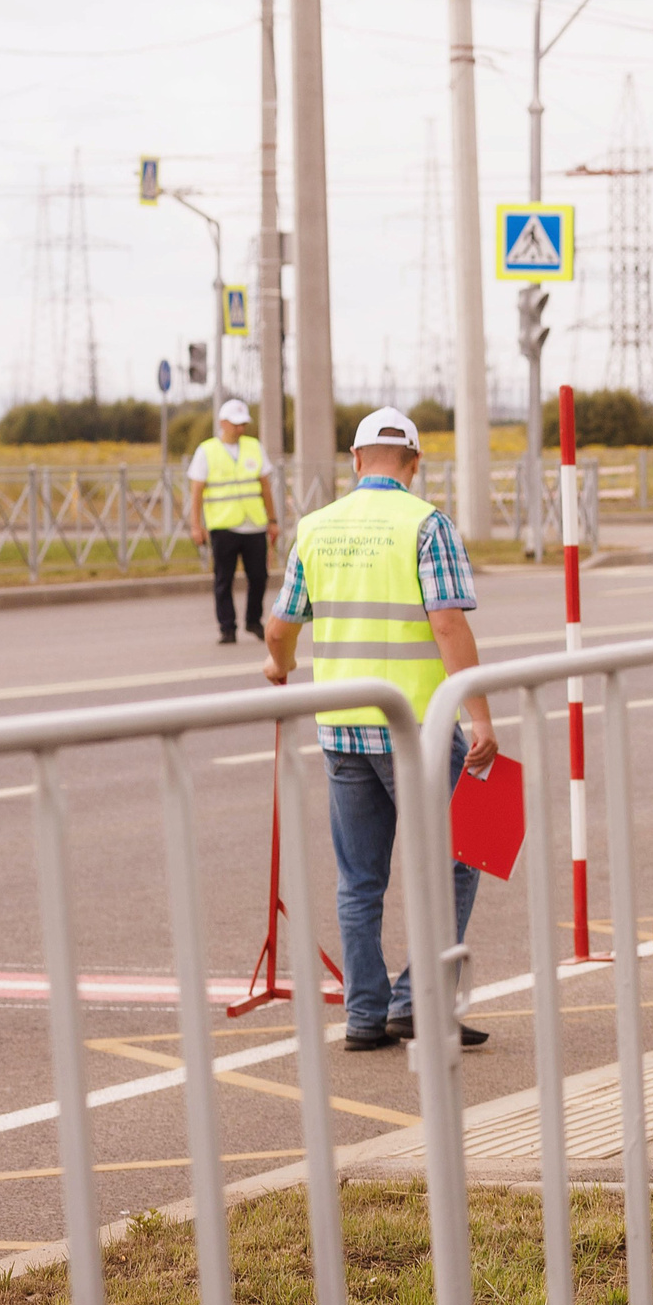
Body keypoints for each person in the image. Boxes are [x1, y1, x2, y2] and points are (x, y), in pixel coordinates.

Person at [263, 408, 497, 1053]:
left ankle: (366, 1016)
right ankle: (417, 1000)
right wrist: (479, 714)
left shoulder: (315, 528)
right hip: (415, 729)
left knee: (360, 878)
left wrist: (277, 667)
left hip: (342, 729)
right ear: (415, 464)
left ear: (356, 459)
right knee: (463, 853)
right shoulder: (427, 524)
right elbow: (448, 624)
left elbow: (281, 629)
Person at [186, 398, 278, 644]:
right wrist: (196, 525)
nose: (240, 428)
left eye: (243, 424)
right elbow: (196, 491)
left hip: (254, 524)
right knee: (223, 580)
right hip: (223, 526)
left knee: (259, 577)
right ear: (222, 423)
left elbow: (265, 487)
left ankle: (253, 621)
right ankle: (227, 627)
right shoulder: (207, 451)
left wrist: (272, 520)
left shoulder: (254, 446)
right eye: (236, 424)